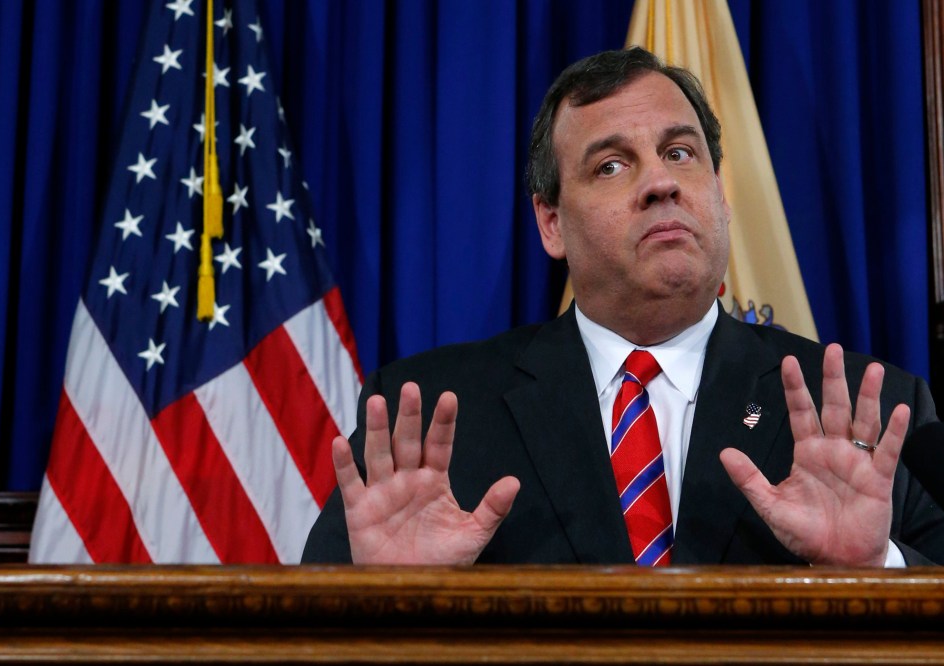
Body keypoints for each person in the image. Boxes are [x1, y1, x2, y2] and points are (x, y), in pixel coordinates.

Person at [301, 47, 944, 566]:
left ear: (719, 196)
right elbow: (308, 641)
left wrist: (876, 569)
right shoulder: (435, 416)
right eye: (611, 165)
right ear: (551, 223)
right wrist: (396, 602)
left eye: (679, 153)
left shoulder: (873, 413)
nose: (661, 183)